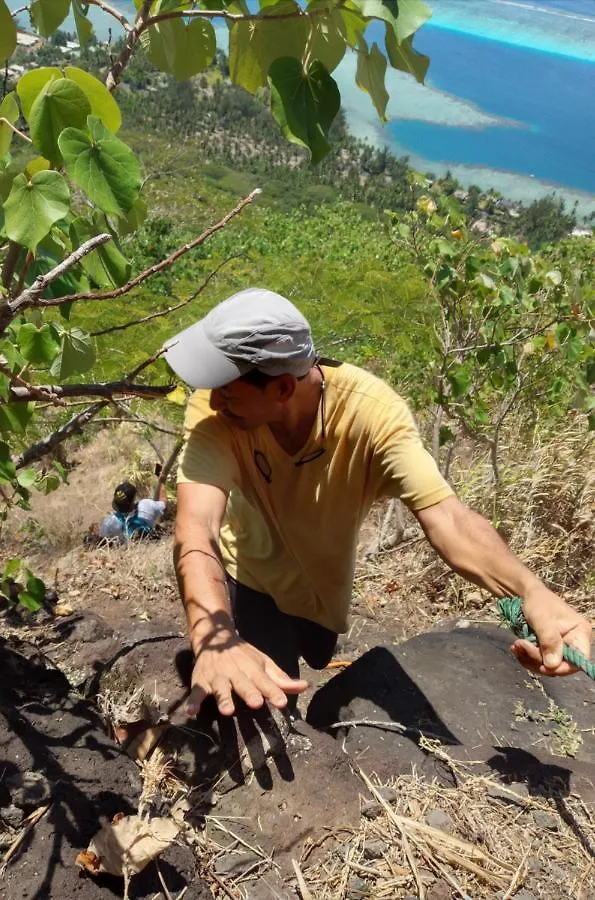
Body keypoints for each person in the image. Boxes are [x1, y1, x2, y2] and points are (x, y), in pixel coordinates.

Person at [163, 288, 592, 718]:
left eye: (228, 391)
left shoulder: (372, 415)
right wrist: (213, 636)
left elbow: (447, 517)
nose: (214, 398)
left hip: (320, 595)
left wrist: (532, 591)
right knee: (268, 707)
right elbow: (197, 525)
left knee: (310, 655)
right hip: (249, 578)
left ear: (282, 388)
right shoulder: (216, 410)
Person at [99, 470, 167, 544]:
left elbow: (104, 542)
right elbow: (164, 503)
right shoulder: (146, 506)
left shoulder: (109, 523)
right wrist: (162, 482)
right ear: (133, 499)